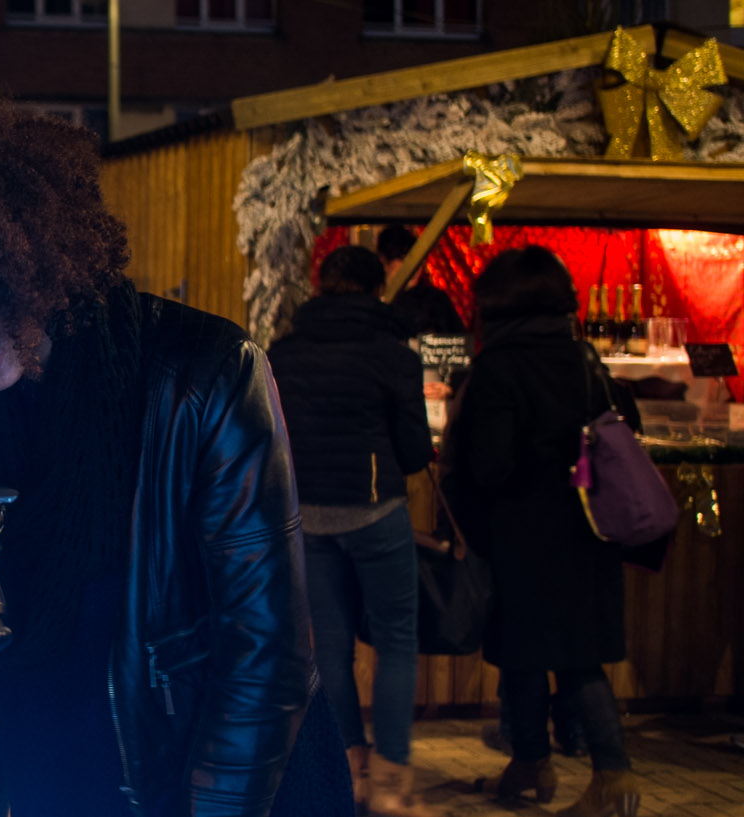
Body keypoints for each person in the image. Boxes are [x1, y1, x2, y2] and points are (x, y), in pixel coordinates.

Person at [0, 107, 352, 817]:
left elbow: (268, 661)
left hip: (197, 791)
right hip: (43, 779)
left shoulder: (202, 375)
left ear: (24, 252)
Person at [444, 246, 641, 817]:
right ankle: (529, 762)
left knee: (561, 655)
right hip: (586, 528)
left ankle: (614, 777)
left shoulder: (500, 367)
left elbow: (490, 466)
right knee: (536, 650)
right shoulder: (583, 359)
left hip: (525, 536)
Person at [267, 246, 435, 816]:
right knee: (395, 642)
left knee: (330, 649)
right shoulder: (393, 353)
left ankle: (350, 769)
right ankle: (391, 780)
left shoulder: (283, 353)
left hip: (305, 515)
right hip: (374, 511)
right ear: (377, 288)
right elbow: (414, 450)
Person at [380, 226, 466, 338]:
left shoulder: (435, 301)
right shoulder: (372, 301)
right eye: (404, 259)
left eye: (420, 261)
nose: (415, 267)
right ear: (383, 261)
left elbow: (459, 343)